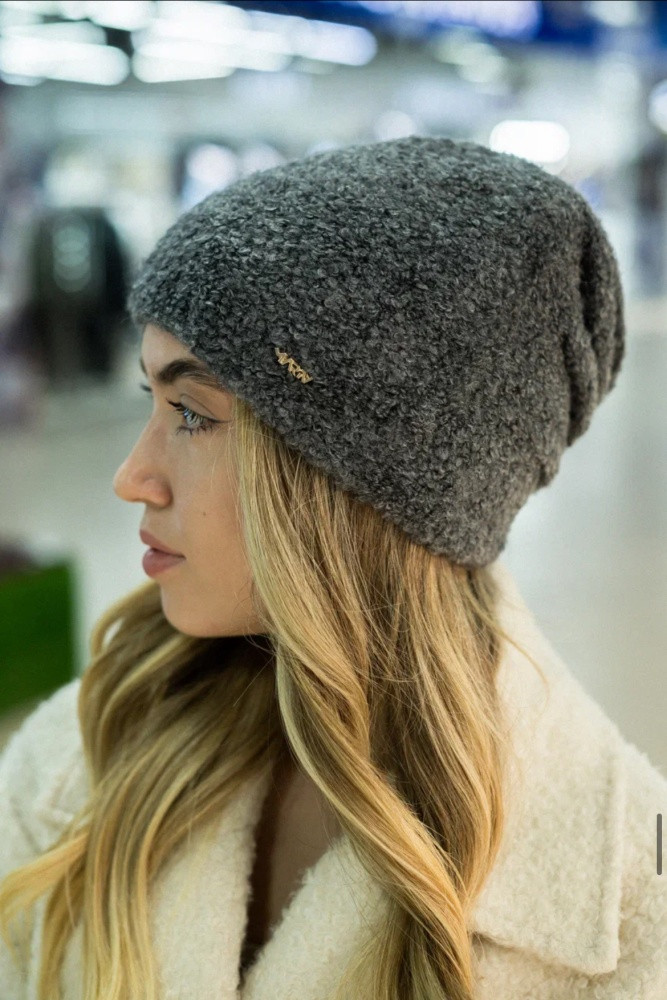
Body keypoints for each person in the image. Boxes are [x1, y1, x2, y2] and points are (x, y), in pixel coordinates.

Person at [0, 135, 665, 1000]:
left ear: (361, 483)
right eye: (150, 400)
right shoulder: (82, 752)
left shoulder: (627, 903)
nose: (133, 476)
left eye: (192, 413)